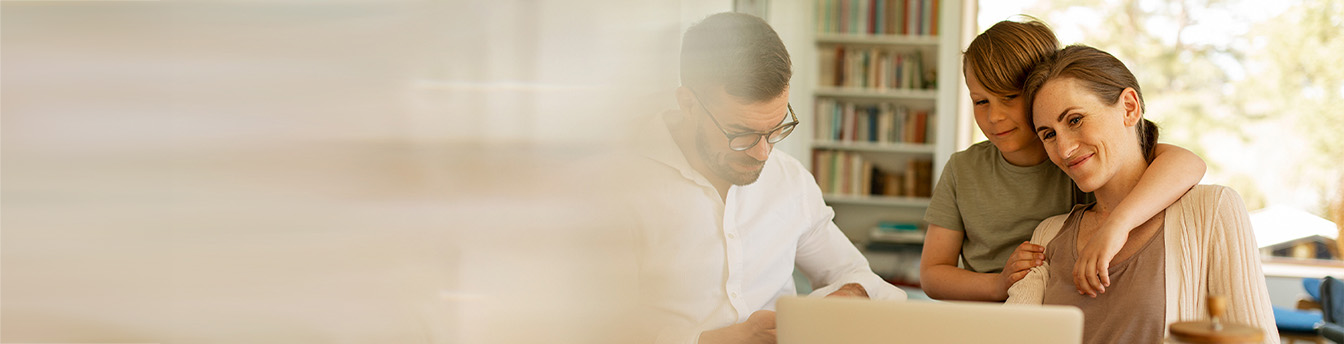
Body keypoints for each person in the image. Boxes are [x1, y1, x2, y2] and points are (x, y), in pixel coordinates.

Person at [628, 12, 905, 344]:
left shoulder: (789, 180)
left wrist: (851, 293)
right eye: (741, 134)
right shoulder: (618, 187)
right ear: (688, 104)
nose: (763, 154)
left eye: (776, 130)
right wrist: (716, 340)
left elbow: (856, 275)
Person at [918, 18, 1208, 302]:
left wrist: (1118, 224)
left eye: (1009, 97)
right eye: (981, 101)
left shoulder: (1078, 160)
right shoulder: (963, 169)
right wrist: (998, 284)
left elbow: (1188, 163)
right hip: (988, 314)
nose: (994, 117)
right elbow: (932, 274)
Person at [1006, 44, 1277, 344]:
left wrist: (1119, 223)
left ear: (1129, 108)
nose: (1064, 148)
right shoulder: (1048, 235)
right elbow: (1011, 335)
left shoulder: (1211, 211)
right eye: (1049, 134)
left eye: (1075, 120)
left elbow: (1260, 339)